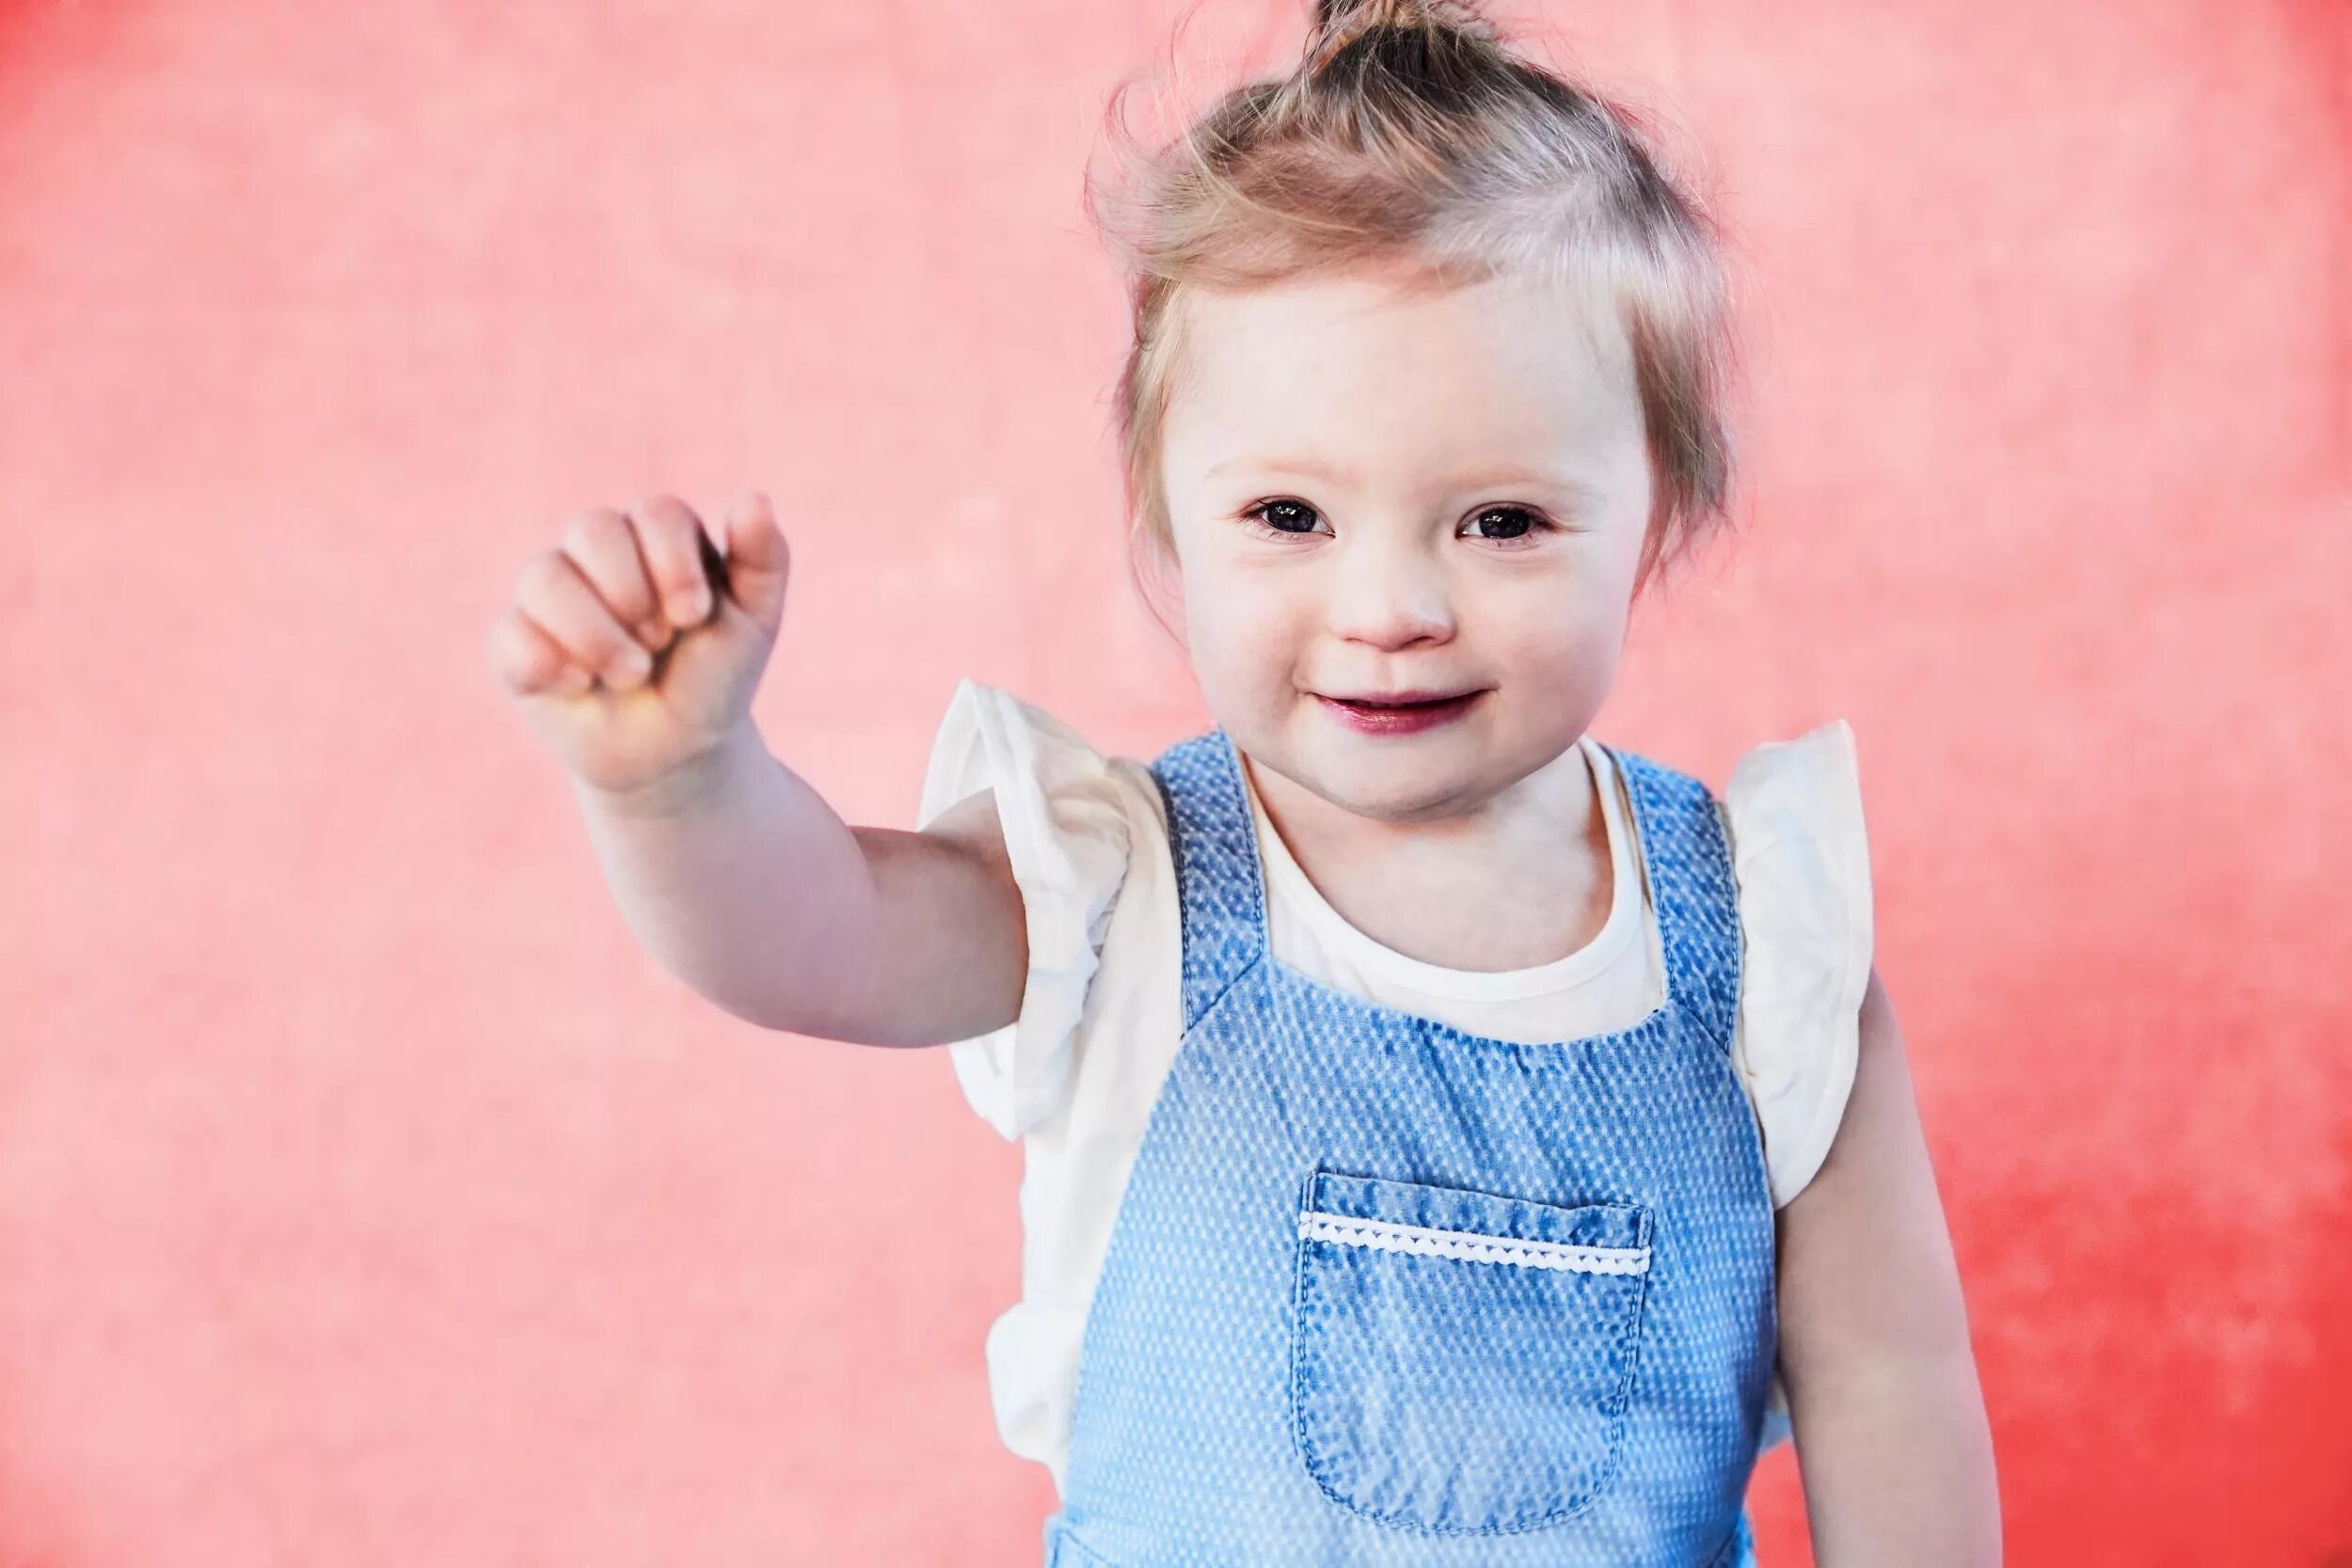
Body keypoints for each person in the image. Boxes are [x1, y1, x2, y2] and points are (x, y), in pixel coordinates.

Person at [485, 1, 1999, 1561]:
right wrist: (678, 787)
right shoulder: (1118, 886)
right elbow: (817, 939)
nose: (1391, 606)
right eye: (1289, 515)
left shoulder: (1764, 952)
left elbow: (1891, 1377)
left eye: (1500, 523)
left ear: (1656, 510)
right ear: (1163, 510)